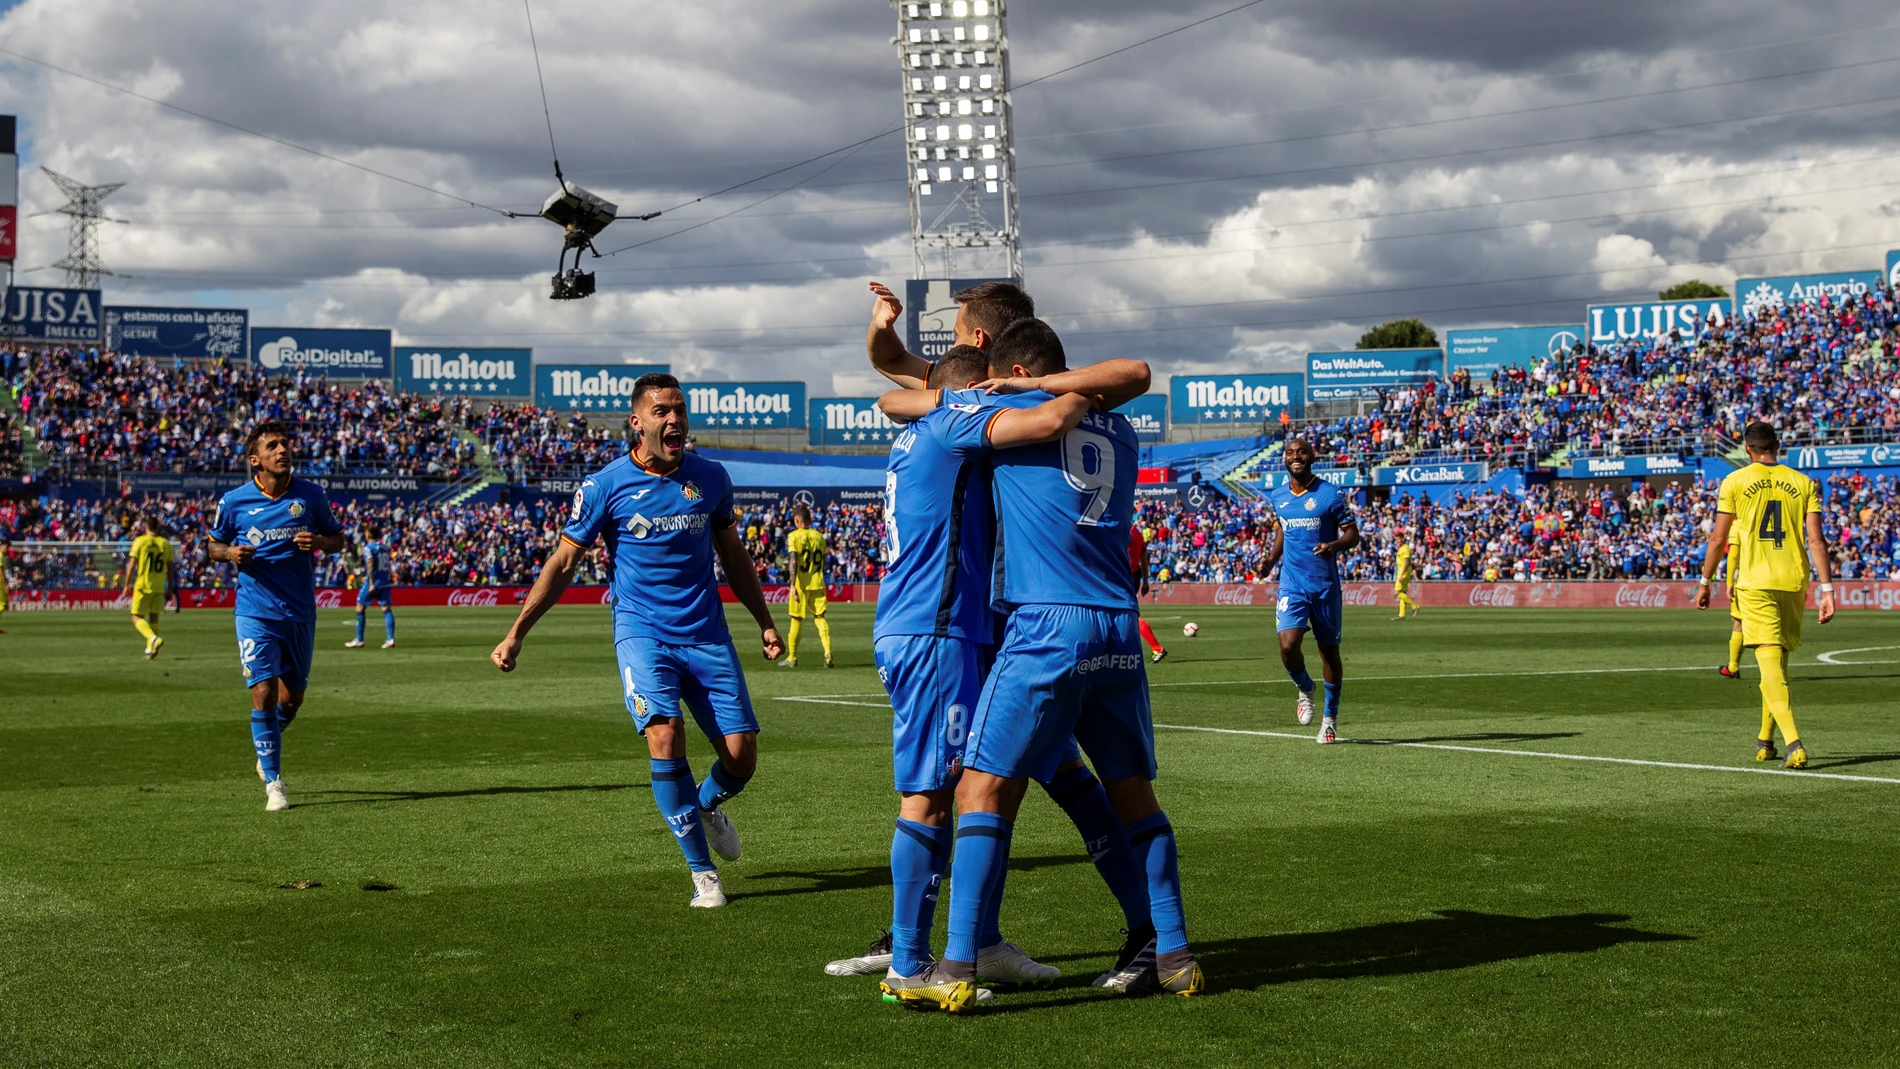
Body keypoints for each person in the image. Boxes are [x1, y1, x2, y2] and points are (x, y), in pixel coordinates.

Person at [878, 319, 1199, 1012]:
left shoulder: (1009, 408)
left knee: (978, 792)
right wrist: (1063, 384)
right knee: (1134, 797)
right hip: (1119, 626)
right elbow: (1131, 372)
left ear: (1011, 373)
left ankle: (957, 962)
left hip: (1046, 625)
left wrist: (1005, 391)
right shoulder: (1117, 427)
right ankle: (1174, 954)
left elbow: (902, 401)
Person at [490, 373, 785, 908]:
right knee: (664, 736)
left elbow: (733, 556)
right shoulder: (604, 486)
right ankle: (704, 875)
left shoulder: (712, 478)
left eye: (679, 409)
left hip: (706, 634)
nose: (673, 420)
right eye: (661, 412)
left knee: (742, 759)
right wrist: (516, 633)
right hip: (643, 633)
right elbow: (562, 562)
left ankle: (707, 806)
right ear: (637, 422)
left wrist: (763, 620)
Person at [207, 421, 347, 811]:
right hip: (255, 612)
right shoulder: (234, 501)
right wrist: (230, 554)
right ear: (256, 459)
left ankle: (265, 745)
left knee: (293, 699)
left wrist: (320, 542)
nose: (283, 450)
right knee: (264, 692)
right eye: (273, 446)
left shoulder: (310, 495)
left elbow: (338, 538)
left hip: (300, 611)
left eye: (285, 443)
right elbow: (212, 545)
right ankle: (274, 783)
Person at [1696, 422, 1835, 768]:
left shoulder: (1735, 481)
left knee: (1770, 665)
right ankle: (1765, 740)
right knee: (1776, 668)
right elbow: (1817, 540)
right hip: (1793, 581)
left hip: (1755, 582)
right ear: (1778, 445)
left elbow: (1718, 538)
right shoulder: (1804, 482)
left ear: (1747, 449)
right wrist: (1827, 588)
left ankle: (1794, 743)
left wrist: (1705, 580)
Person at [1262, 439, 1361, 744]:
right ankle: (1305, 688)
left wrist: (1333, 546)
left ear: (1312, 456)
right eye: (1291, 453)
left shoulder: (1331, 494)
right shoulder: (1278, 496)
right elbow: (1283, 530)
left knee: (1329, 653)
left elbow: (1353, 535)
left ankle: (1329, 720)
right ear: (1284, 459)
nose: (1296, 457)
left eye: (1302, 452)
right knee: (1288, 646)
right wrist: (1270, 559)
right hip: (1292, 584)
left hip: (1324, 586)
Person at [864, 278, 1035, 389]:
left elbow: (887, 362)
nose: (953, 346)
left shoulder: (953, 386)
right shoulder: (1050, 386)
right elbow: (890, 360)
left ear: (978, 338)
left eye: (957, 335)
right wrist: (880, 327)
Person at [779, 506, 832, 668]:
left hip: (801, 584)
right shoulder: (820, 537)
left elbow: (793, 561)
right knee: (820, 617)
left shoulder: (793, 536)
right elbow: (823, 560)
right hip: (817, 582)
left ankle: (792, 657)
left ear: (797, 520)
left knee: (796, 619)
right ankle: (828, 654)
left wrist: (793, 585)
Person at [123, 516, 177, 659]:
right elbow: (170, 568)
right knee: (154, 617)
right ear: (158, 527)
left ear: (146, 527)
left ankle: (153, 639)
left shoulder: (140, 541)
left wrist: (127, 584)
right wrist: (170, 587)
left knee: (136, 617)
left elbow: (132, 565)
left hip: (143, 584)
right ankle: (150, 649)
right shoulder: (165, 544)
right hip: (159, 586)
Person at [347, 524, 396, 650]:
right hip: (385, 581)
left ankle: (359, 639)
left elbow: (370, 564)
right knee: (386, 609)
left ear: (368, 535)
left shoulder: (368, 548)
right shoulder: (385, 548)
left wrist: (371, 581)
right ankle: (390, 639)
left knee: (360, 608)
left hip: (373, 582)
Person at [1131, 524, 1166, 662]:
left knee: (1127, 615)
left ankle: (1157, 648)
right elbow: (1144, 557)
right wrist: (1145, 580)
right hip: (1134, 576)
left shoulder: (1120, 529)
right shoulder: (1137, 533)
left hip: (1123, 576)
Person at [1718, 539, 1744, 679]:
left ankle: (1733, 667)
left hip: (1748, 581)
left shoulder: (1740, 524)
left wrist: (1729, 583)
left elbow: (1732, 555)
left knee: (1738, 623)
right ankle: (1780, 669)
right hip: (1778, 578)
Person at [1392, 537, 1420, 621]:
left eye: (1398, 539)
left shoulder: (1405, 549)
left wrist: (1402, 574)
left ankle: (1414, 606)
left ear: (1402, 539)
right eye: (1396, 540)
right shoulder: (1402, 549)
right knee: (1403, 593)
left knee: (1397, 592)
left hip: (1403, 573)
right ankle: (1402, 615)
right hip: (1402, 572)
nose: (1397, 541)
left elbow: (1407, 562)